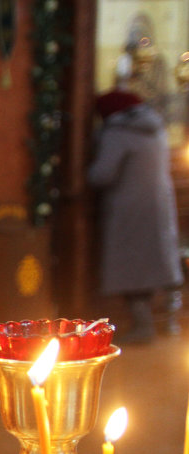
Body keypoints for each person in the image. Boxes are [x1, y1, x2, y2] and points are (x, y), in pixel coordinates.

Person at [87, 88, 184, 343]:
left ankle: (142, 327)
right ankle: (165, 323)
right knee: (153, 265)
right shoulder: (155, 128)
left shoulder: (118, 133)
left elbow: (102, 174)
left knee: (132, 268)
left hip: (127, 208)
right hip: (158, 205)